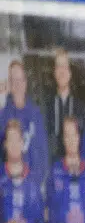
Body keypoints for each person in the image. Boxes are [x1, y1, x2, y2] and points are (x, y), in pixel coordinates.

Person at [1, 59, 49, 187]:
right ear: (9, 85)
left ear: (25, 82)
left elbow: (42, 152)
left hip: (31, 186)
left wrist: (35, 184)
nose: (16, 84)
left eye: (19, 80)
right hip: (8, 186)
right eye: (12, 80)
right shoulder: (3, 114)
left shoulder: (35, 114)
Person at [2, 118, 45, 223]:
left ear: (22, 143)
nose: (14, 145)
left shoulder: (33, 181)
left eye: (17, 140)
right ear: (5, 144)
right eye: (10, 140)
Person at [46, 48, 79, 162]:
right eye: (58, 66)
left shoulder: (81, 108)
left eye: (65, 66)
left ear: (70, 72)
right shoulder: (46, 107)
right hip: (53, 170)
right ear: (54, 72)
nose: (62, 71)